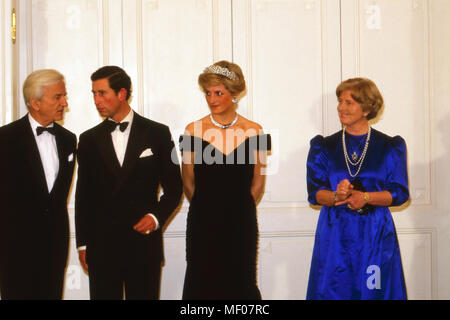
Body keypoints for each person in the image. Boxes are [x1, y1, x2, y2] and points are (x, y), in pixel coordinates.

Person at [75, 66, 182, 300]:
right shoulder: (88, 140)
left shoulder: (158, 133)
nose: (96, 100)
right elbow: (83, 197)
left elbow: (175, 188)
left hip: (143, 246)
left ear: (122, 93)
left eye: (102, 93)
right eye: (93, 93)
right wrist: (82, 244)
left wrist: (155, 218)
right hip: (102, 248)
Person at [306, 78, 409, 299]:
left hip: (375, 234)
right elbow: (315, 194)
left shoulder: (391, 146)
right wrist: (336, 195)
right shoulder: (323, 146)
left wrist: (365, 196)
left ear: (367, 107)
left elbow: (399, 193)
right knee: (334, 292)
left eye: (349, 102)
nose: (341, 107)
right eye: (340, 101)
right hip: (335, 235)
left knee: (375, 291)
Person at [179, 61, 271, 299]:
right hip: (203, 224)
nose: (212, 99)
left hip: (241, 224)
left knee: (242, 282)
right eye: (208, 93)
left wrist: (237, 208)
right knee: (202, 283)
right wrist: (207, 207)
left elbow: (258, 183)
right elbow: (188, 182)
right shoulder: (193, 130)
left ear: (235, 94)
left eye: (218, 93)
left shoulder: (254, 131)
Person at [0, 69, 76, 299]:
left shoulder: (68, 139)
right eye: (57, 97)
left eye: (64, 96)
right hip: (14, 248)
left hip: (54, 246)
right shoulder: (5, 139)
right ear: (35, 102)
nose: (64, 102)